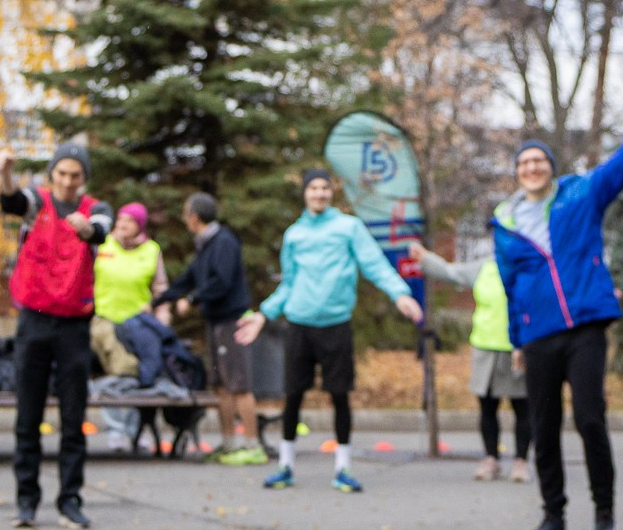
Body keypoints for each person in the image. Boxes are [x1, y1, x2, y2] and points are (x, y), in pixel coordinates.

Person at [491, 67, 623, 530]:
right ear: (517, 173)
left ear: (551, 167)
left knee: (589, 419)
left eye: (539, 161)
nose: (532, 168)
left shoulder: (581, 194)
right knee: (542, 427)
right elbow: (511, 286)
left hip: (584, 325)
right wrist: (517, 340)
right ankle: (552, 516)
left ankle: (604, 514)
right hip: (538, 335)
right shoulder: (505, 223)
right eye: (524, 163)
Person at [234, 170, 423, 495]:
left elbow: (374, 263)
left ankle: (343, 468)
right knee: (293, 395)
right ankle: (286, 465)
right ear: (305, 193)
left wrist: (399, 293)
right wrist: (264, 314)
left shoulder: (349, 227)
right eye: (313, 188)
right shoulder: (294, 235)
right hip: (300, 323)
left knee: (339, 394)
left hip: (336, 324)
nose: (319, 193)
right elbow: (289, 282)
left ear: (331, 193)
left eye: (324, 188)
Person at [0, 142, 110, 528]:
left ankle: (70, 500)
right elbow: (12, 201)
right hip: (34, 321)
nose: (67, 181)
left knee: (73, 417)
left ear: (83, 178)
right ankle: (26, 500)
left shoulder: (94, 208)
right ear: (52, 174)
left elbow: (101, 230)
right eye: (61, 173)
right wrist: (4, 174)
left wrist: (87, 229)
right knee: (27, 416)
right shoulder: (37, 203)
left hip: (74, 325)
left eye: (75, 175)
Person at [408, 240, 527, 482]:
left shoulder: (527, 268)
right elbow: (451, 272)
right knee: (487, 407)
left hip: (518, 348)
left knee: (522, 407)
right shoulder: (484, 268)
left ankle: (521, 461)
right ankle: (491, 458)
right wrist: (426, 258)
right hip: (486, 347)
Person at [160, 191, 260, 462]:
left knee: (239, 384)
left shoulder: (224, 241)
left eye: (186, 214)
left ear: (194, 217)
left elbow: (222, 281)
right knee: (221, 386)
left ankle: (252, 446)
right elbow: (187, 279)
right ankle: (229, 444)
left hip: (232, 321)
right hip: (215, 321)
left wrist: (192, 300)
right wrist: (157, 301)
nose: (184, 220)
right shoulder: (205, 245)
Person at [95, 203, 183, 396]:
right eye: (121, 219)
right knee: (122, 369)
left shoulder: (151, 250)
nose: (123, 224)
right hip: (105, 319)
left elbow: (160, 288)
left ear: (140, 225)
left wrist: (162, 318)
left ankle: (135, 411)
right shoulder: (103, 244)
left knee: (144, 370)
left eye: (130, 220)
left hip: (138, 322)